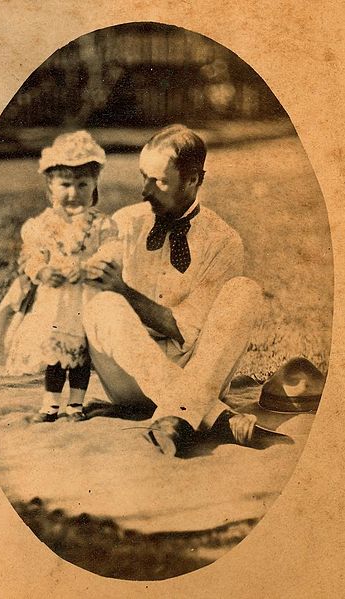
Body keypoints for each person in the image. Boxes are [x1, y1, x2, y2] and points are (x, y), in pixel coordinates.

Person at [82, 124, 262, 456]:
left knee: (245, 291)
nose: (145, 191)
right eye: (143, 177)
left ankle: (178, 416)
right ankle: (212, 416)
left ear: (193, 180)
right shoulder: (125, 222)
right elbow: (90, 289)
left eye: (160, 181)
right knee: (102, 304)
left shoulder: (223, 241)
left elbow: (186, 332)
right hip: (130, 376)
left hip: (195, 370)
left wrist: (124, 289)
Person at [0, 131, 119, 422]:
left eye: (83, 184)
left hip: (86, 297)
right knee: (56, 355)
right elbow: (30, 255)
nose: (74, 193)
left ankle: (76, 404)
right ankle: (51, 403)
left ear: (95, 185)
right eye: (65, 185)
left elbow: (111, 251)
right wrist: (42, 271)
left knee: (80, 354)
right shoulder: (42, 225)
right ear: (50, 187)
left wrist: (88, 266)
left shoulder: (101, 225)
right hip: (55, 300)